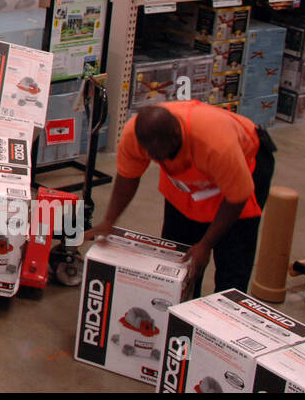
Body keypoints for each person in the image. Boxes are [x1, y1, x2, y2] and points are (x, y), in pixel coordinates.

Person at [89, 101, 277, 297]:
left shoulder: (216, 144)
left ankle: (224, 313)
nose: (164, 162)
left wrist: (205, 244)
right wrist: (109, 220)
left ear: (177, 136)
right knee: (178, 257)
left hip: (244, 166)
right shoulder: (135, 135)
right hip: (186, 184)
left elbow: (237, 198)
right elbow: (128, 177)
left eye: (168, 155)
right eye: (156, 158)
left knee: (232, 259)